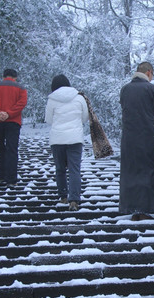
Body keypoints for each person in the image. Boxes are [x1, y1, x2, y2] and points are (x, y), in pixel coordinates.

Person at [119, 62, 154, 221]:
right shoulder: (150, 89)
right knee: (149, 171)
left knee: (131, 171)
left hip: (129, 137)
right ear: (148, 72)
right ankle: (146, 209)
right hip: (147, 135)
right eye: (152, 74)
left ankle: (132, 207)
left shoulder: (125, 89)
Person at [44, 74, 88, 211]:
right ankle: (74, 199)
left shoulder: (52, 99)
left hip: (57, 139)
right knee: (75, 169)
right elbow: (85, 117)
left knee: (60, 169)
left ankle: (63, 196)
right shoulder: (80, 97)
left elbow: (49, 120)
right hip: (75, 138)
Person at [0, 68, 27, 187]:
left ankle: (0, 175)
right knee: (12, 149)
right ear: (15, 77)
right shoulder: (21, 89)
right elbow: (21, 103)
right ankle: (11, 179)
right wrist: (9, 113)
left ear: (3, 76)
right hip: (13, 121)